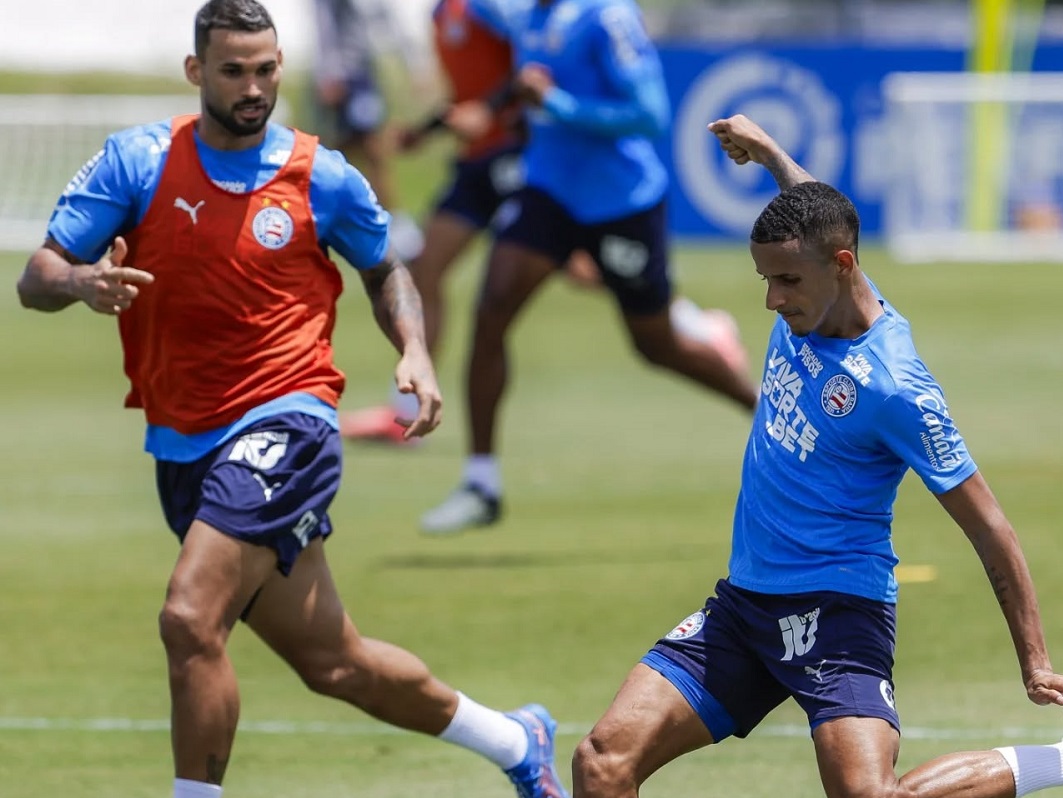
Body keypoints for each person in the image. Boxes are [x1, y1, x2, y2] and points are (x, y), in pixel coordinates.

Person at [565, 114, 1063, 798]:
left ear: (842, 267)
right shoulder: (818, 259)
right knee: (603, 760)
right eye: (765, 281)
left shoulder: (894, 387)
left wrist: (1035, 661)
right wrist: (771, 153)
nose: (772, 303)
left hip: (838, 613)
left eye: (785, 283)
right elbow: (815, 208)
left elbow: (988, 524)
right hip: (745, 606)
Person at [15, 0, 571, 798]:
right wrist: (79, 283)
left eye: (267, 68)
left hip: (288, 421)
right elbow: (37, 274)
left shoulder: (322, 175)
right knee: (337, 664)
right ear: (198, 74)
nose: (254, 88)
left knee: (190, 618)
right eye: (233, 71)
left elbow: (386, 266)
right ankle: (518, 741)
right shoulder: (139, 163)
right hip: (184, 445)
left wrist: (415, 353)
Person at [417, 0, 761, 534]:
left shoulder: (607, 17)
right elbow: (524, 77)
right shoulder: (527, 14)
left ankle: (766, 412)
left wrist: (558, 105)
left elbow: (650, 115)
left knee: (656, 344)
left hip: (621, 201)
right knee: (491, 313)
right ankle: (481, 482)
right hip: (548, 192)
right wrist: (490, 107)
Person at [338, 0, 747, 446]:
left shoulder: (498, 8)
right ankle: (410, 415)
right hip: (482, 162)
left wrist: (504, 111)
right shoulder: (446, 11)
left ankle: (697, 329)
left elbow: (528, 73)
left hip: (519, 156)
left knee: (573, 271)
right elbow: (483, 82)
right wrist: (431, 127)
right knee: (452, 272)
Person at [310, 0, 424, 258]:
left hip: (357, 74)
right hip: (339, 76)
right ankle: (342, 220)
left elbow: (381, 16)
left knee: (372, 150)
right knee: (333, 152)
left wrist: (412, 62)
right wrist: (327, 72)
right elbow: (324, 28)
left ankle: (396, 226)